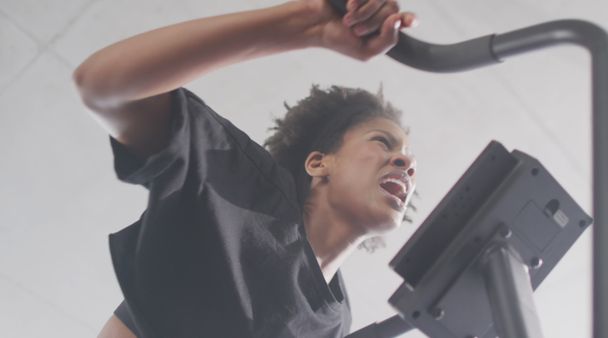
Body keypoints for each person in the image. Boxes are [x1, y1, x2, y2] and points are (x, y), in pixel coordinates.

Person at [73, 0, 418, 337]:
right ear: (318, 163)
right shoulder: (239, 188)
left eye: (409, 159)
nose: (406, 163)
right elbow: (104, 85)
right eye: (382, 142)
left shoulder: (336, 323)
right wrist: (309, 22)